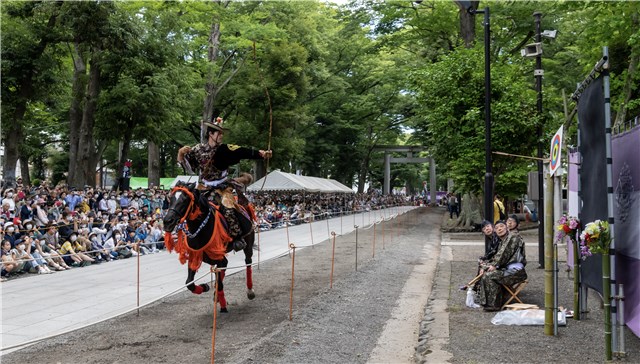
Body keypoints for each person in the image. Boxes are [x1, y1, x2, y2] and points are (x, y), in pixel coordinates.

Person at [177, 117, 272, 251]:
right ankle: (185, 236)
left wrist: (260, 154)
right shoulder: (197, 149)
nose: (221, 136)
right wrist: (180, 155)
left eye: (222, 133)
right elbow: (189, 167)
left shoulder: (225, 149)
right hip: (203, 187)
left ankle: (236, 239)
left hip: (221, 188)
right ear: (211, 134)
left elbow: (242, 151)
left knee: (228, 210)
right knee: (187, 206)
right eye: (219, 133)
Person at [476, 220, 527, 311]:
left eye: (501, 226)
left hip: (516, 272)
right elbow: (495, 256)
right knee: (486, 274)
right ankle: (489, 303)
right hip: (507, 270)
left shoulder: (513, 237)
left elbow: (502, 255)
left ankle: (495, 304)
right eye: (497, 228)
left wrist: (494, 265)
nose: (499, 229)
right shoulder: (502, 241)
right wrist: (485, 266)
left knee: (489, 276)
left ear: (507, 228)